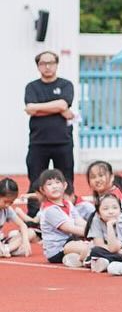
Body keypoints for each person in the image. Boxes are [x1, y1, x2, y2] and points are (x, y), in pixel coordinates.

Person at [24, 51, 76, 217]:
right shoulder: (32, 87)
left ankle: (67, 214)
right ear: (38, 66)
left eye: (51, 63)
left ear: (56, 64)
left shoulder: (66, 85)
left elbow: (63, 104)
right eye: (43, 63)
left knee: (66, 181)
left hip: (63, 142)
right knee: (36, 181)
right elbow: (30, 109)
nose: (47, 66)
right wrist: (58, 108)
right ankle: (34, 217)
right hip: (38, 142)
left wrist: (38, 108)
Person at [34, 170, 89, 267]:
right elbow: (70, 228)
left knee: (95, 243)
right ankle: (87, 259)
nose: (54, 186)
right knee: (87, 247)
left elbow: (79, 221)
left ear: (64, 185)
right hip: (57, 250)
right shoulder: (50, 210)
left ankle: (75, 258)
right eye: (49, 184)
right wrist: (93, 233)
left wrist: (92, 228)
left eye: (57, 182)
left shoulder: (68, 204)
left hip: (70, 241)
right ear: (42, 190)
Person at [84, 193, 122, 271]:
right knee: (95, 250)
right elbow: (100, 244)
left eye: (115, 208)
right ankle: (106, 262)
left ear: (120, 210)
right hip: (111, 250)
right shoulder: (96, 220)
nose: (111, 212)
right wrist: (109, 225)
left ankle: (102, 262)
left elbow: (115, 247)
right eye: (105, 209)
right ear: (99, 214)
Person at [0, 179, 35, 258]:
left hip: (3, 242)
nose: (7, 205)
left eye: (11, 202)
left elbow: (23, 225)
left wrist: (26, 241)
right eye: (5, 201)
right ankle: (7, 250)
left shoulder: (7, 209)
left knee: (31, 232)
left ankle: (6, 250)